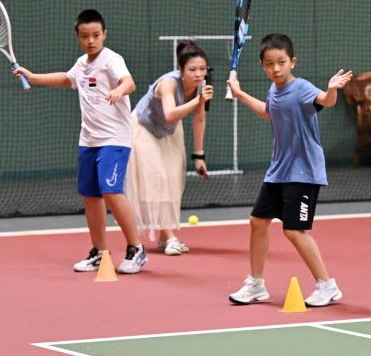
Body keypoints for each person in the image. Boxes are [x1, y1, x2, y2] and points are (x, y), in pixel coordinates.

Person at [13, 10, 147, 274]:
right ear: (78, 37)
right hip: (88, 140)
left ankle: (136, 249)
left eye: (96, 35)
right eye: (85, 36)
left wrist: (119, 89)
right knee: (91, 195)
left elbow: (128, 82)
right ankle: (99, 252)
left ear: (104, 34)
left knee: (110, 190)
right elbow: (68, 78)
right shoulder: (82, 64)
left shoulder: (112, 60)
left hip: (114, 139)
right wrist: (33, 77)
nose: (91, 41)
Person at [226, 33, 352, 307]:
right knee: (257, 222)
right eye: (270, 64)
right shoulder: (274, 89)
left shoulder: (302, 87)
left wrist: (331, 89)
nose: (276, 68)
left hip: (303, 171)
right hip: (279, 170)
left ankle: (327, 285)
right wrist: (240, 94)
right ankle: (256, 284)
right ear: (263, 65)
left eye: (281, 62)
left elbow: (325, 101)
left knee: (293, 230)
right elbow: (269, 112)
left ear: (292, 61)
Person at [125, 40, 214, 256]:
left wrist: (198, 155)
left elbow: (199, 119)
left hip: (170, 132)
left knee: (172, 180)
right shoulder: (168, 83)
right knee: (159, 178)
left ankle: (165, 238)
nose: (198, 74)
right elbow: (170, 113)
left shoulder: (202, 85)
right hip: (144, 128)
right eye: (192, 69)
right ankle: (169, 235)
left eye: (202, 69)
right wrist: (197, 101)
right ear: (181, 70)